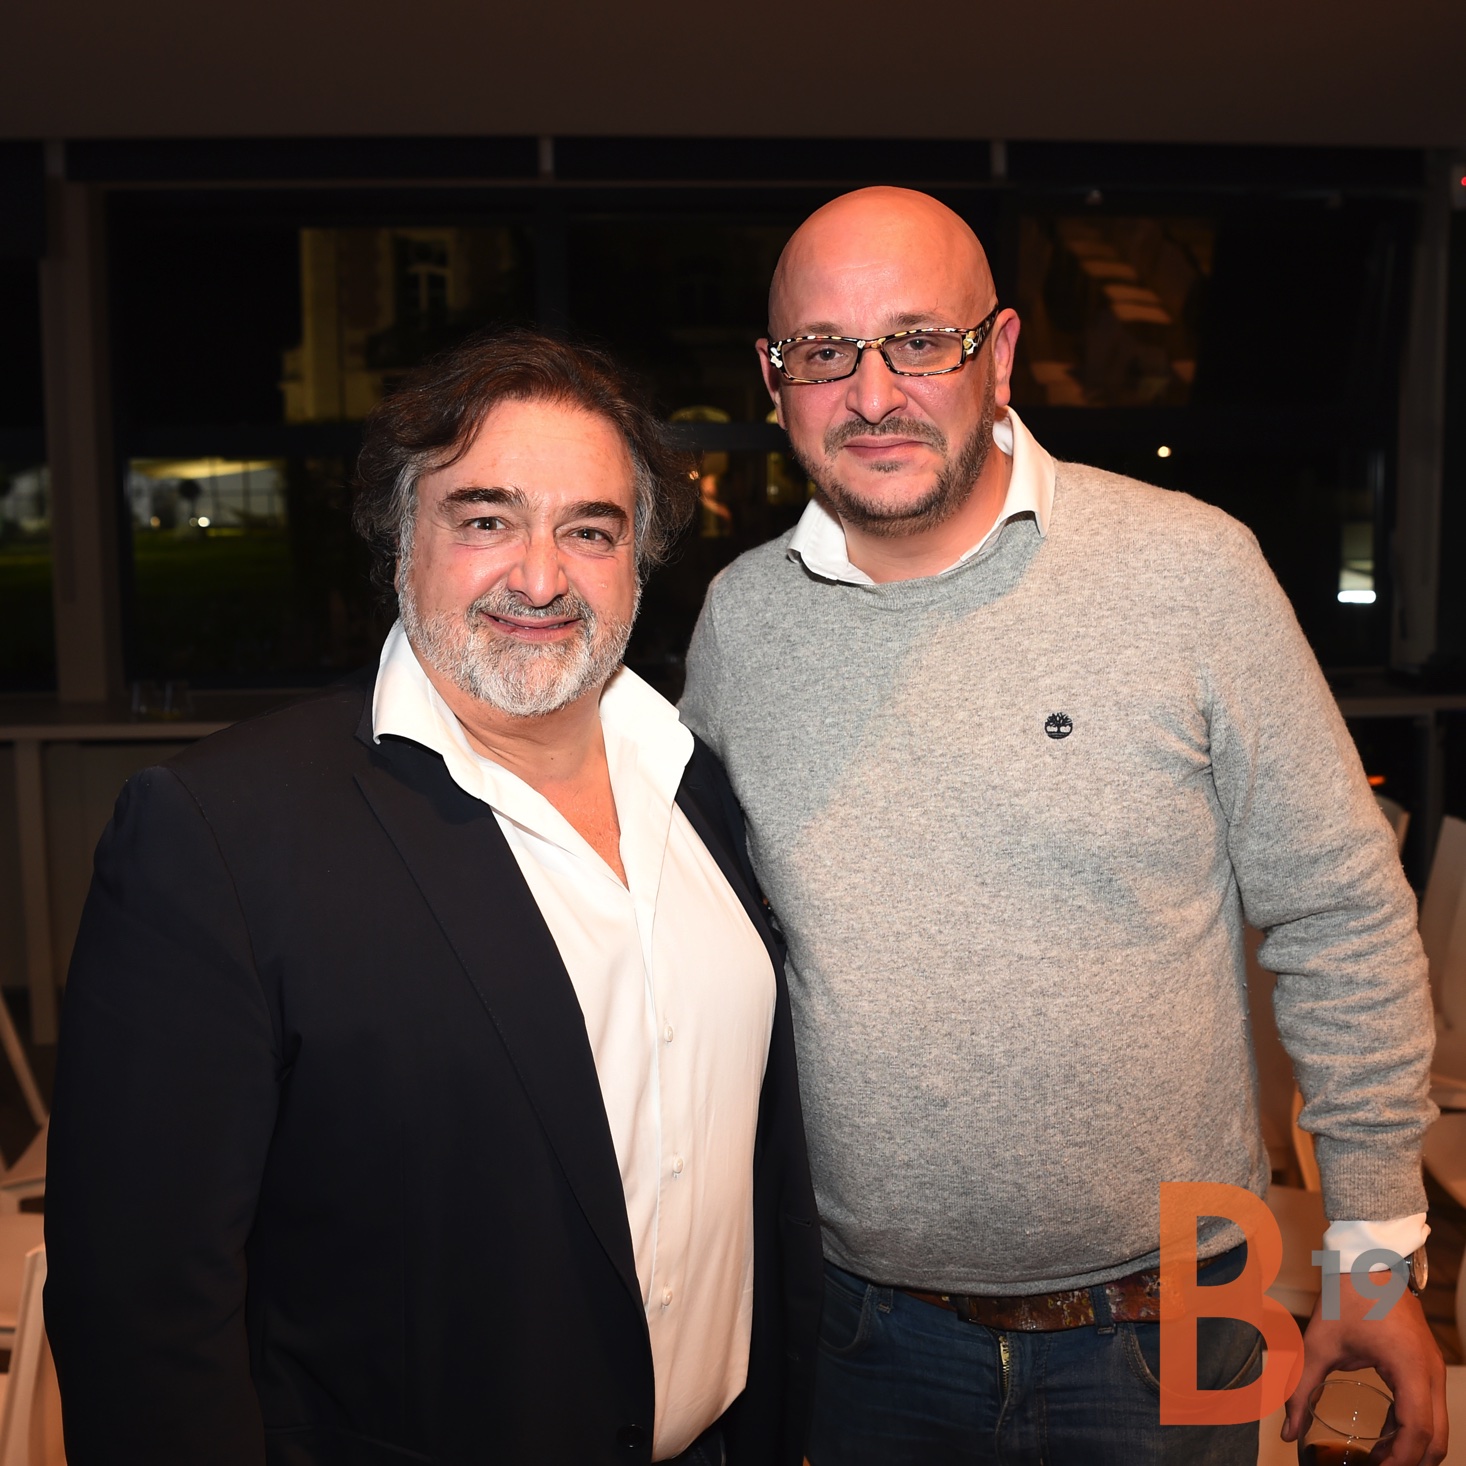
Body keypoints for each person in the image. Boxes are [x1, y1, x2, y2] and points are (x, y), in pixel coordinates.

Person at [678, 187, 1445, 1465]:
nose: (872, 392)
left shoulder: (1190, 568)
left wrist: (1370, 1252)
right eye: (823, 350)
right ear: (773, 379)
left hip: (1188, 1304)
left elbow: (1340, 912)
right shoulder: (740, 623)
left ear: (1001, 354)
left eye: (920, 340)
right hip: (861, 1330)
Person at [45, 329, 823, 1465]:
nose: (540, 577)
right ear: (399, 540)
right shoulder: (219, 834)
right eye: (487, 519)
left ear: (640, 560)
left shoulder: (695, 781)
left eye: (590, 529)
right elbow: (142, 1312)